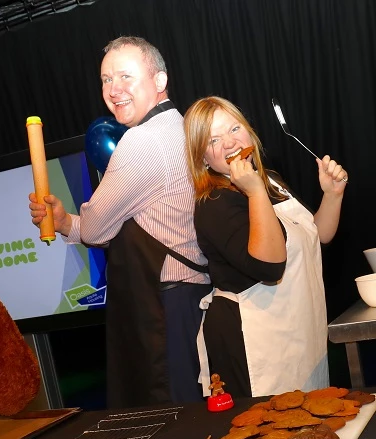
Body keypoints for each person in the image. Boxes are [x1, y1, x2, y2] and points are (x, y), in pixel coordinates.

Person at [28, 36, 211, 408]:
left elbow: (96, 229)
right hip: (194, 298)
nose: (114, 89)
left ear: (159, 81)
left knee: (171, 419)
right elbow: (142, 220)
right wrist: (65, 221)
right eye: (106, 79)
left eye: (126, 76)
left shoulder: (141, 142)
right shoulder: (184, 126)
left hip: (163, 305)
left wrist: (67, 223)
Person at [182, 96, 348, 399]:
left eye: (234, 129)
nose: (230, 143)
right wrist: (255, 191)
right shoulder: (215, 204)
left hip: (300, 332)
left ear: (248, 132)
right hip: (255, 344)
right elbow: (271, 268)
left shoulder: (270, 180)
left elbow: (317, 234)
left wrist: (332, 194)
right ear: (203, 157)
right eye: (213, 139)